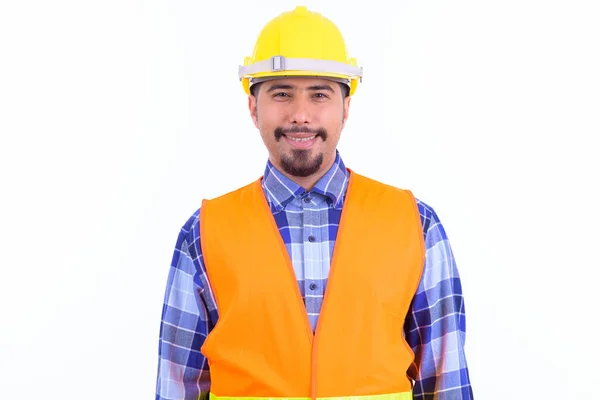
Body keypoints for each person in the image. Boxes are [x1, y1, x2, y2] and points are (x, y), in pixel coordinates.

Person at [155, 5, 473, 400]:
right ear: (254, 108)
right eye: (281, 94)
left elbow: (446, 382)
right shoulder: (202, 233)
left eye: (319, 94)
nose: (301, 115)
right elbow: (177, 386)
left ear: (346, 107)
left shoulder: (416, 225)